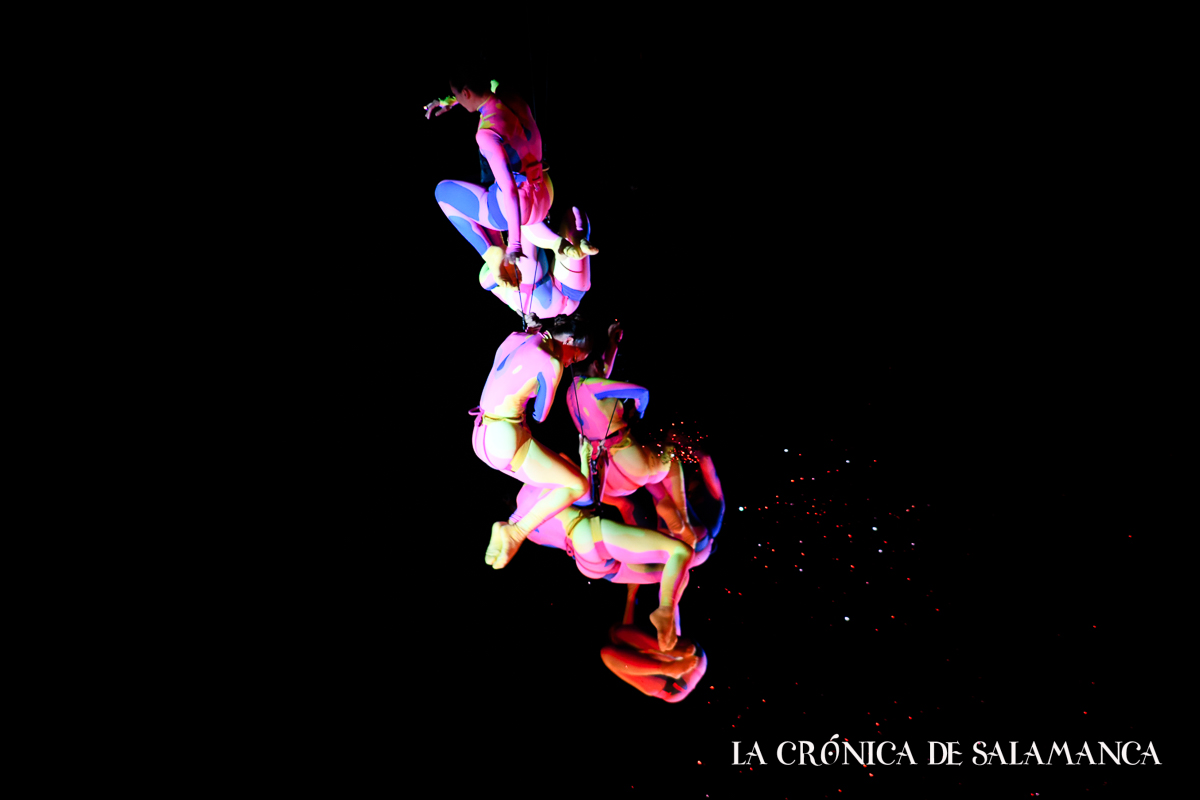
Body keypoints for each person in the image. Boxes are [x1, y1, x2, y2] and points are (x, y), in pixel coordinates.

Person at [427, 67, 597, 290]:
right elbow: (490, 83)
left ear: (466, 92)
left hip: (518, 205)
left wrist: (514, 244)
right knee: (502, 197)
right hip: (544, 192)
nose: (456, 98)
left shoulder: (487, 132)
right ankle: (557, 243)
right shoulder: (510, 95)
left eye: (457, 94)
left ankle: (491, 253)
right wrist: (452, 100)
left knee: (443, 193)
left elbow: (509, 190)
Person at [512, 480, 712, 651]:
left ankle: (671, 631)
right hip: (585, 535)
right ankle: (666, 611)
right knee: (680, 552)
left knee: (677, 572)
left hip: (590, 564)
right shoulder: (536, 483)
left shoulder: (526, 532)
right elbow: (583, 488)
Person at [564, 326, 705, 549]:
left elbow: (602, 372)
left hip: (608, 479)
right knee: (670, 455)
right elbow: (642, 392)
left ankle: (667, 508)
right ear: (594, 365)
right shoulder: (593, 386)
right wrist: (638, 412)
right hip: (629, 461)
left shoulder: (572, 391)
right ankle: (683, 521)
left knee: (652, 477)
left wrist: (612, 342)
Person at [472, 313, 593, 571]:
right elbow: (540, 415)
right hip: (504, 439)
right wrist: (551, 376)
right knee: (577, 485)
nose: (569, 363)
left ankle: (511, 525)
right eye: (574, 358)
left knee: (552, 480)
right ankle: (515, 533)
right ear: (569, 341)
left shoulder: (516, 337)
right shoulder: (552, 362)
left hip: (481, 434)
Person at [478, 206, 593, 325]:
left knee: (525, 223)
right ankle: (573, 242)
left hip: (541, 296)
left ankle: (572, 242)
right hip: (559, 298)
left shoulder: (502, 275)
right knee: (526, 222)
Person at [599, 581, 707, 702]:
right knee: (610, 649)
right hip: (682, 670)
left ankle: (668, 658)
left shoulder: (633, 642)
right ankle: (667, 660)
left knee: (611, 647)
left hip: (676, 679)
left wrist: (632, 594)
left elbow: (626, 630)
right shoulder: (630, 654)